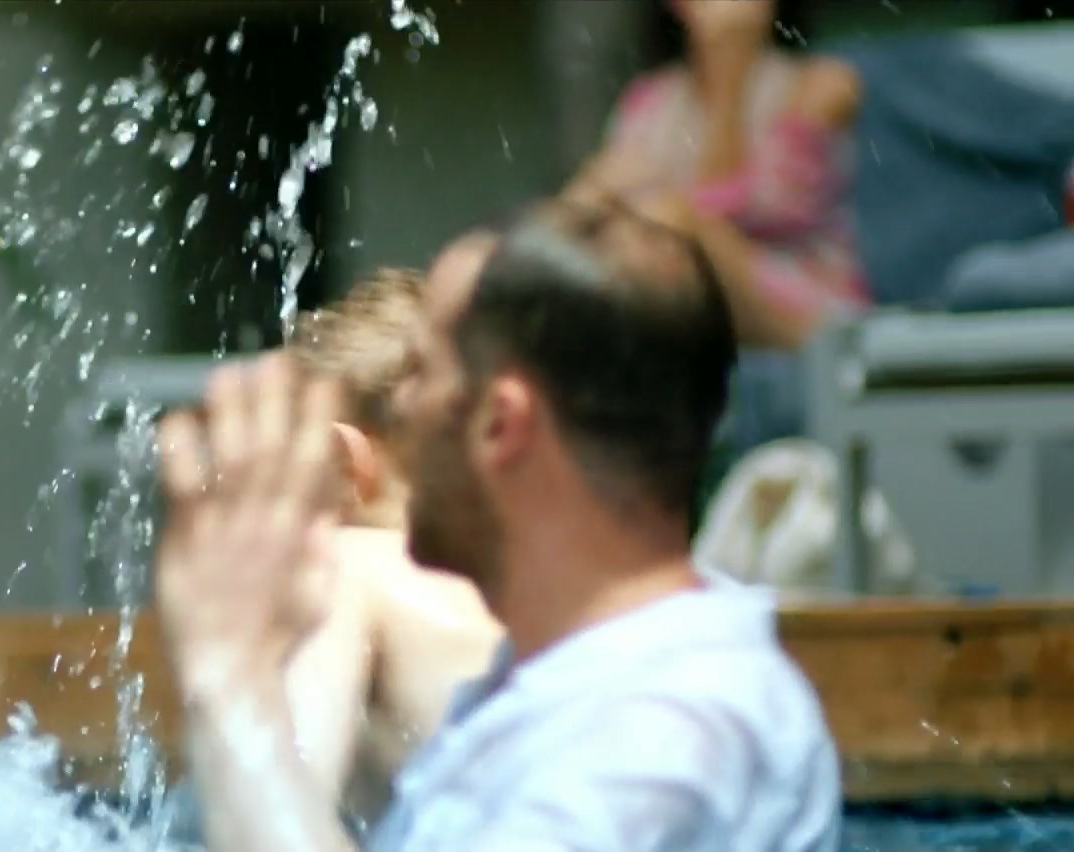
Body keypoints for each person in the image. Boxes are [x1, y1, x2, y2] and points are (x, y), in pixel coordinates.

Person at [152, 198, 842, 851]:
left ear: (499, 425)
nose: (403, 408)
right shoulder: (552, 687)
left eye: (422, 373)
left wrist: (229, 679)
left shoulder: (668, 730)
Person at [161, 274, 503, 842]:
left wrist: (223, 669)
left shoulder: (352, 570)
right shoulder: (517, 601)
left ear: (346, 464)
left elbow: (274, 807)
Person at [569, 0, 864, 350]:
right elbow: (602, 197)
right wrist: (595, 191)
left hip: (807, 313)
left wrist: (730, 77)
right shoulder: (651, 98)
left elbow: (737, 205)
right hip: (689, 302)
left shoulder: (820, 83)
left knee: (667, 225)